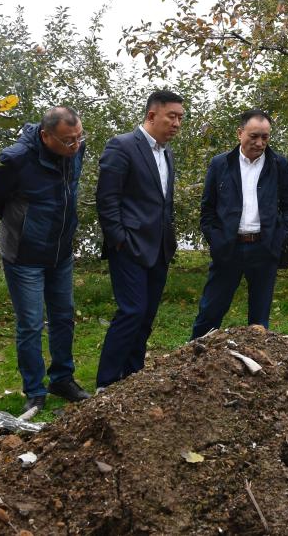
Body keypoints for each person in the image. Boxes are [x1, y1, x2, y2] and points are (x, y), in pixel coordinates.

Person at [0, 106, 90, 414]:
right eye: (68, 140)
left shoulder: (76, 150)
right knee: (30, 323)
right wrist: (24, 225)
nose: (75, 145)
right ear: (45, 136)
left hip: (61, 251)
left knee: (63, 316)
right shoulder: (15, 159)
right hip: (24, 254)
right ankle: (34, 390)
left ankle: (62, 379)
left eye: (79, 137)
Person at [94, 90, 184, 389]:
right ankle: (107, 382)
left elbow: (163, 201)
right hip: (129, 246)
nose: (177, 124)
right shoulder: (121, 146)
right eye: (172, 116)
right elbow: (107, 199)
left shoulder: (167, 153)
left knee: (146, 316)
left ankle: (133, 379)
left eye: (180, 118)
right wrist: (119, 240)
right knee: (131, 311)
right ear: (151, 115)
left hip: (159, 248)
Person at [190, 109, 288, 339]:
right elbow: (207, 209)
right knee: (210, 311)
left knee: (259, 320)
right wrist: (216, 240)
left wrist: (278, 238)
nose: (260, 143)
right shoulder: (220, 164)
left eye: (265, 137)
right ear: (240, 133)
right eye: (254, 136)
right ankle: (195, 353)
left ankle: (257, 359)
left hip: (264, 249)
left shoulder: (279, 165)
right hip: (228, 248)